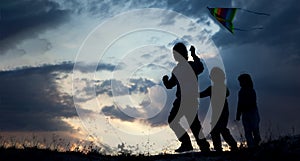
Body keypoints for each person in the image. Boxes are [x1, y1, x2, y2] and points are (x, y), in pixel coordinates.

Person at [162, 43, 210, 152]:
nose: (174, 56)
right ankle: (196, 145)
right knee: (189, 123)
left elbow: (201, 67)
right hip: (184, 100)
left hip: (187, 100)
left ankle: (196, 145)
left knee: (190, 123)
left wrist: (193, 55)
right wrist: (165, 81)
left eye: (175, 53)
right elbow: (170, 85)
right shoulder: (179, 69)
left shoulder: (190, 66)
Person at [200, 67, 237, 152]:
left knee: (221, 129)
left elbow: (227, 93)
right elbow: (201, 94)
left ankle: (232, 146)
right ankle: (220, 148)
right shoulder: (213, 88)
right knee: (216, 130)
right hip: (217, 113)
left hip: (222, 112)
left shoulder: (219, 87)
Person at [236, 73, 261, 148]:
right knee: (247, 131)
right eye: (240, 82)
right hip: (245, 113)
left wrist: (241, 111)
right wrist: (238, 114)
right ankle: (251, 146)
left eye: (242, 81)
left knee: (255, 129)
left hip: (252, 112)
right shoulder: (241, 92)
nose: (240, 83)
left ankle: (257, 143)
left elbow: (252, 102)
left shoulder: (251, 91)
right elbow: (239, 103)